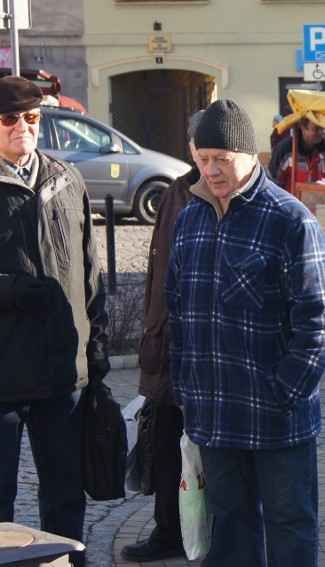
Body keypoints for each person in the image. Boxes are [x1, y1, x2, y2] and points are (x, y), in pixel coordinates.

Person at [164, 99, 325, 566]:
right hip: (215, 412)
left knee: (289, 524)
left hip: (277, 417)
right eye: (203, 160)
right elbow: (178, 311)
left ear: (250, 156)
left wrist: (286, 390)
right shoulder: (190, 220)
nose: (211, 170)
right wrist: (185, 388)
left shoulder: (289, 220)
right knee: (230, 523)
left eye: (222, 159)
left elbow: (322, 317)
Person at [0, 75, 110, 567]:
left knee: (65, 494)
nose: (22, 128)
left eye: (31, 118)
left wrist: (98, 351)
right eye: (9, 120)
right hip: (3, 374)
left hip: (65, 373)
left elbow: (90, 272)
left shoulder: (66, 176)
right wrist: (15, 289)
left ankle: (67, 562)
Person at [120, 110, 204, 563]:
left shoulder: (211, 195)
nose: (201, 153)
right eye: (195, 143)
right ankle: (169, 530)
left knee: (202, 450)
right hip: (165, 341)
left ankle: (202, 534)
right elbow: (158, 274)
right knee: (167, 446)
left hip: (195, 348)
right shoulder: (176, 191)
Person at [267, 116, 325, 192]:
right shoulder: (285, 150)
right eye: (316, 129)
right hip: (289, 202)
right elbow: (271, 183)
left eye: (322, 129)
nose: (321, 132)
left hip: (316, 202)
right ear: (303, 129)